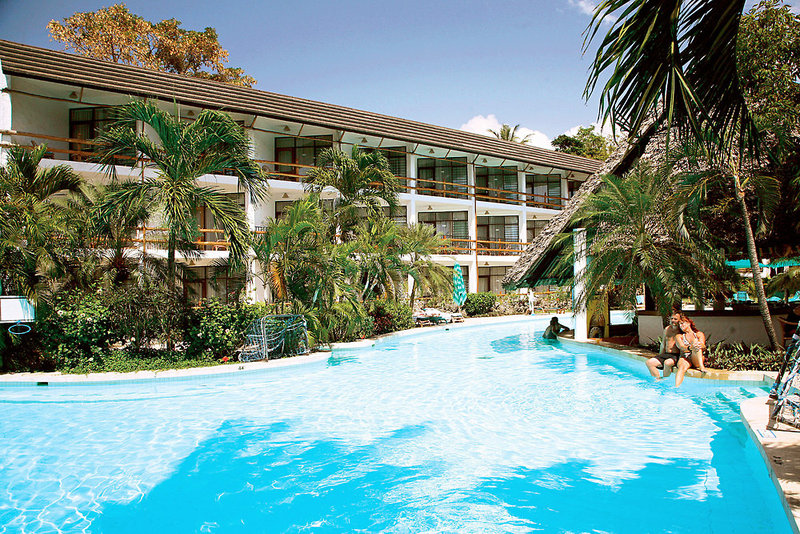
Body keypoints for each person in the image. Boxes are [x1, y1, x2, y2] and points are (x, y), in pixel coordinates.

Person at [645, 311, 682, 380]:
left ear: (680, 320)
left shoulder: (681, 331)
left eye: (675, 319)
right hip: (666, 354)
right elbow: (663, 344)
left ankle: (665, 380)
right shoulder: (667, 329)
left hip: (676, 355)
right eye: (672, 318)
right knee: (649, 363)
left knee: (667, 363)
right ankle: (658, 379)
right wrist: (659, 356)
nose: (673, 320)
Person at [674, 314, 707, 387]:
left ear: (688, 323)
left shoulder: (699, 334)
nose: (681, 326)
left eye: (682, 323)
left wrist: (695, 345)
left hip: (696, 358)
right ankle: (676, 388)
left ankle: (702, 366)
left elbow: (703, 346)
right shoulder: (679, 336)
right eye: (679, 324)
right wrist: (690, 348)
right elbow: (681, 347)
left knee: (696, 343)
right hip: (685, 357)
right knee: (682, 367)